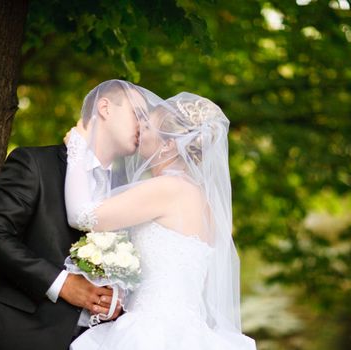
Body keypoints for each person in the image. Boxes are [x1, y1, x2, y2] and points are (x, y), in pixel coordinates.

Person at [0, 80, 161, 350]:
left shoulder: (129, 193)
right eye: (137, 114)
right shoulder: (35, 163)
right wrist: (62, 284)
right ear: (105, 108)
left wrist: (117, 294)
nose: (145, 125)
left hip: (100, 340)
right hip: (22, 332)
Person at [65, 92, 257, 349]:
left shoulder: (168, 188)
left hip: (151, 331)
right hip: (186, 331)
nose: (138, 129)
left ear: (167, 145)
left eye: (145, 125)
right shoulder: (201, 199)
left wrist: (78, 148)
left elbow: (83, 216)